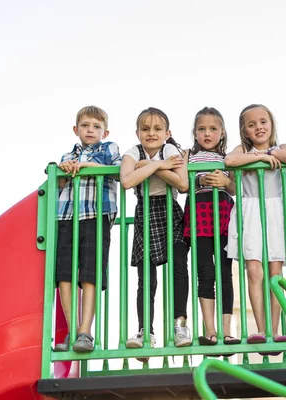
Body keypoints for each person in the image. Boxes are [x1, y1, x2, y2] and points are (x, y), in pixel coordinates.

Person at [225, 104, 286, 354]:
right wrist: (260, 157)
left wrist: (270, 152)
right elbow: (231, 160)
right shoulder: (244, 150)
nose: (258, 127)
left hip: (275, 212)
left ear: (271, 125)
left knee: (275, 272)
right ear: (245, 130)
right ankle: (261, 329)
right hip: (250, 210)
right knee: (253, 271)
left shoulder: (280, 148)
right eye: (252, 124)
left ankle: (275, 329)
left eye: (263, 122)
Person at [120, 107, 192, 358]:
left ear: (167, 132)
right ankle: (145, 331)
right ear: (138, 132)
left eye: (157, 129)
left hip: (169, 210)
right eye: (145, 128)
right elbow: (127, 181)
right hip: (145, 213)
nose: (151, 133)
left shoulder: (170, 150)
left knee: (179, 268)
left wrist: (150, 166)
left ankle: (180, 325)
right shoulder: (132, 152)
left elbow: (182, 184)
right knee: (146, 278)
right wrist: (161, 166)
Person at [54, 105, 122, 352]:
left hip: (96, 214)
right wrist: (63, 170)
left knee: (90, 274)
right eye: (85, 125)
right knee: (64, 274)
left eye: (96, 126)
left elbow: (118, 172)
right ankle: (72, 331)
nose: (90, 130)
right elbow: (58, 183)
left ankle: (85, 332)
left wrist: (85, 167)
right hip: (66, 216)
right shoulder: (66, 156)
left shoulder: (109, 148)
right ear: (76, 129)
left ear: (105, 131)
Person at [183, 107, 240, 348]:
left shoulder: (229, 158)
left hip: (224, 216)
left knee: (225, 273)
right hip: (199, 216)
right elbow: (182, 184)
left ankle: (226, 330)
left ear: (222, 132)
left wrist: (227, 182)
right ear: (195, 133)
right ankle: (210, 329)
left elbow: (238, 189)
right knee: (205, 272)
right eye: (202, 129)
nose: (207, 133)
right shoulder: (188, 156)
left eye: (213, 129)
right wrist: (199, 179)